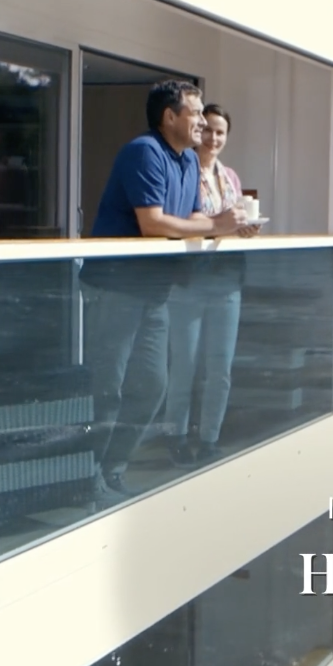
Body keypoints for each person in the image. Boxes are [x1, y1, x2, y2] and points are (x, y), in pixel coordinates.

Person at [80, 80, 253, 503]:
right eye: (194, 113)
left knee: (151, 387)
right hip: (117, 288)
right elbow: (154, 223)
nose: (201, 121)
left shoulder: (188, 164)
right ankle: (86, 481)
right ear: (169, 117)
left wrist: (230, 223)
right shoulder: (144, 152)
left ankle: (111, 469)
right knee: (107, 387)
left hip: (155, 289)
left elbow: (191, 215)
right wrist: (216, 225)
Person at [165, 104, 252, 468]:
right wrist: (222, 223)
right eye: (209, 130)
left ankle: (210, 438)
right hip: (189, 279)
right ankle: (176, 437)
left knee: (220, 367)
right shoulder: (184, 169)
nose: (214, 138)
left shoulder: (229, 176)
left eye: (221, 132)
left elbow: (228, 221)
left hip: (226, 279)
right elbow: (187, 218)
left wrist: (244, 226)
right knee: (183, 364)